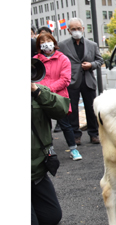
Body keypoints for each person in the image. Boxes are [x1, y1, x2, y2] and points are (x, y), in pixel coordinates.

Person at [33, 32, 82, 161]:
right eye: (42, 42)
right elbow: (33, 78)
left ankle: (73, 149)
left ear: (54, 42)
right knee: (44, 125)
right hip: (39, 96)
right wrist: (42, 91)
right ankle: (48, 150)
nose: (46, 44)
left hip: (58, 97)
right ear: (39, 45)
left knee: (65, 124)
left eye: (48, 40)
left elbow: (65, 79)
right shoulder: (35, 60)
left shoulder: (63, 59)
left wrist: (47, 90)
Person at [31, 81, 70, 225]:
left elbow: (62, 109)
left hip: (36, 172)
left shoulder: (38, 90)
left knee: (51, 217)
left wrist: (36, 91)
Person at [58, 18, 104, 145]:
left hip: (88, 80)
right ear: (68, 30)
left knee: (91, 108)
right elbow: (59, 61)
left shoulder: (92, 45)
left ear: (83, 29)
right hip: (71, 81)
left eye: (78, 28)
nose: (76, 31)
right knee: (72, 109)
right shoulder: (63, 45)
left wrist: (91, 64)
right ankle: (75, 135)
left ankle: (94, 134)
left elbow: (100, 60)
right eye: (73, 29)